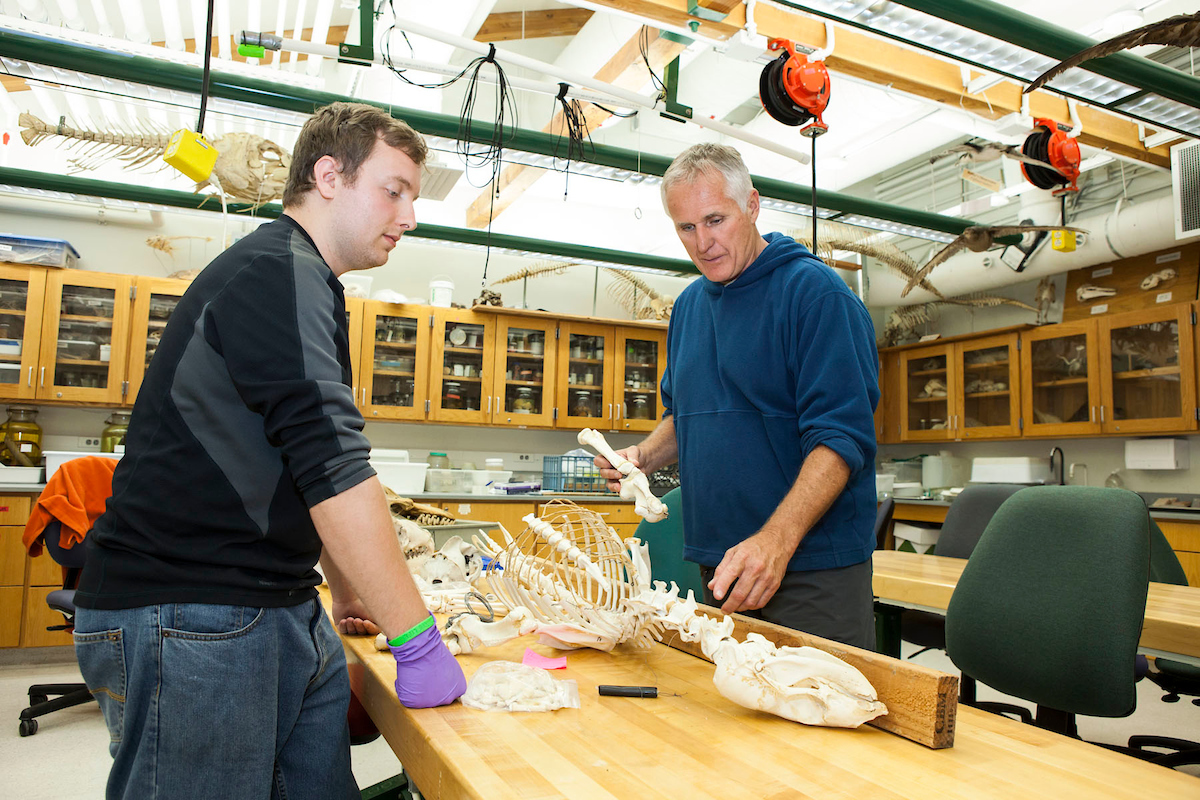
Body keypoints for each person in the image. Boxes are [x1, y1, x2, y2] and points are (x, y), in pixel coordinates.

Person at [72, 102, 465, 800]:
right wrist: (417, 641)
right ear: (329, 176)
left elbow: (289, 463)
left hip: (277, 606)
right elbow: (335, 467)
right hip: (193, 613)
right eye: (395, 191)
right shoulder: (274, 271)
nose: (409, 216)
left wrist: (343, 590)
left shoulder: (308, 281)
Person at [597, 143, 880, 650]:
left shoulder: (817, 297)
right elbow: (686, 418)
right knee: (730, 719)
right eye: (686, 227)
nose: (702, 242)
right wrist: (643, 455)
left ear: (751, 205)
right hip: (720, 563)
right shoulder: (688, 308)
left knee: (815, 718)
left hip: (809, 565)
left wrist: (776, 542)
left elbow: (841, 440)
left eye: (715, 220)